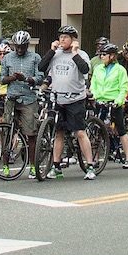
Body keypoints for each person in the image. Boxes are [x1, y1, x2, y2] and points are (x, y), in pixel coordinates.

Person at [37, 25, 95, 180]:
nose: (62, 40)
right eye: (61, 37)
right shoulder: (55, 54)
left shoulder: (81, 54)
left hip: (75, 98)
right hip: (57, 98)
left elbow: (84, 70)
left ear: (73, 40)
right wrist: (51, 51)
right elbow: (41, 67)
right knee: (58, 132)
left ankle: (90, 165)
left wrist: (75, 53)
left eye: (66, 37)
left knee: (80, 132)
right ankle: (56, 166)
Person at [0, 30, 43, 178]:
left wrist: (27, 79)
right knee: (7, 130)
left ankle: (32, 165)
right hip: (12, 97)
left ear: (27, 45)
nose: (19, 50)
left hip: (28, 98)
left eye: (22, 47)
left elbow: (40, 77)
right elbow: (1, 79)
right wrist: (12, 77)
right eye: (17, 47)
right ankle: (5, 165)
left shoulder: (35, 58)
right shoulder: (7, 58)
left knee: (30, 133)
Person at [90, 43, 128, 168]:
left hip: (114, 103)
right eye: (100, 54)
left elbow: (123, 87)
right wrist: (95, 95)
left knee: (120, 129)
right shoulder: (98, 68)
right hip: (100, 102)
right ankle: (95, 159)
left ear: (112, 56)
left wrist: (118, 101)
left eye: (104, 54)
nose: (101, 57)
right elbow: (94, 84)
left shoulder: (120, 70)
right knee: (97, 130)